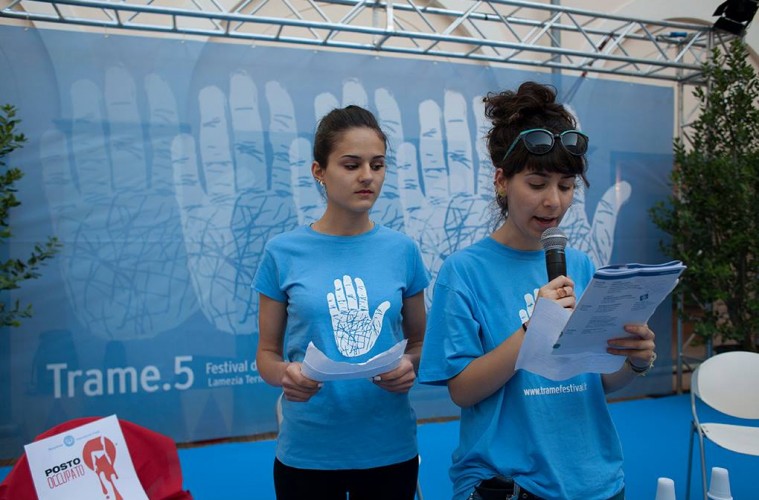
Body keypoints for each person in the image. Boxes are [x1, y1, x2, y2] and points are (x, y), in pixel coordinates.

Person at [418, 81, 658, 500]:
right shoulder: (464, 272)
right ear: (501, 181)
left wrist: (633, 362)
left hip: (596, 480)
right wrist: (534, 329)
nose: (553, 202)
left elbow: (593, 383)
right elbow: (462, 389)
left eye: (566, 186)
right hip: (511, 486)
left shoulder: (581, 264)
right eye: (536, 183)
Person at [254, 104, 429, 500]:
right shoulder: (282, 252)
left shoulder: (403, 250)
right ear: (319, 171)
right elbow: (266, 354)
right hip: (308, 452)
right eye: (351, 165)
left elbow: (422, 345)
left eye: (377, 164)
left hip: (390, 447)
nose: (367, 176)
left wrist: (408, 365)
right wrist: (286, 375)